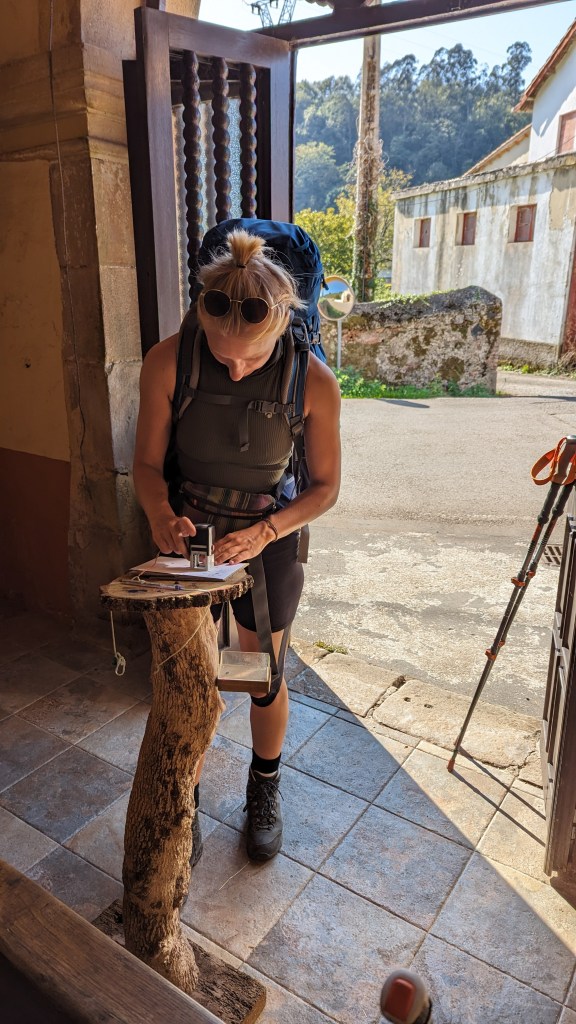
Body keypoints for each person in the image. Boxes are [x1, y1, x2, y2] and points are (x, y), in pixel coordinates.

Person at [133, 228, 341, 864]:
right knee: (188, 675)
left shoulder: (313, 381)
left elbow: (325, 488)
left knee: (261, 673)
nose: (237, 369)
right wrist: (161, 513)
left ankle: (264, 785)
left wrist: (267, 532)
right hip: (188, 536)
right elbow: (146, 466)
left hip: (267, 534)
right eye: (223, 358)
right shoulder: (169, 361)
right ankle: (186, 793)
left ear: (282, 327)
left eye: (252, 359)